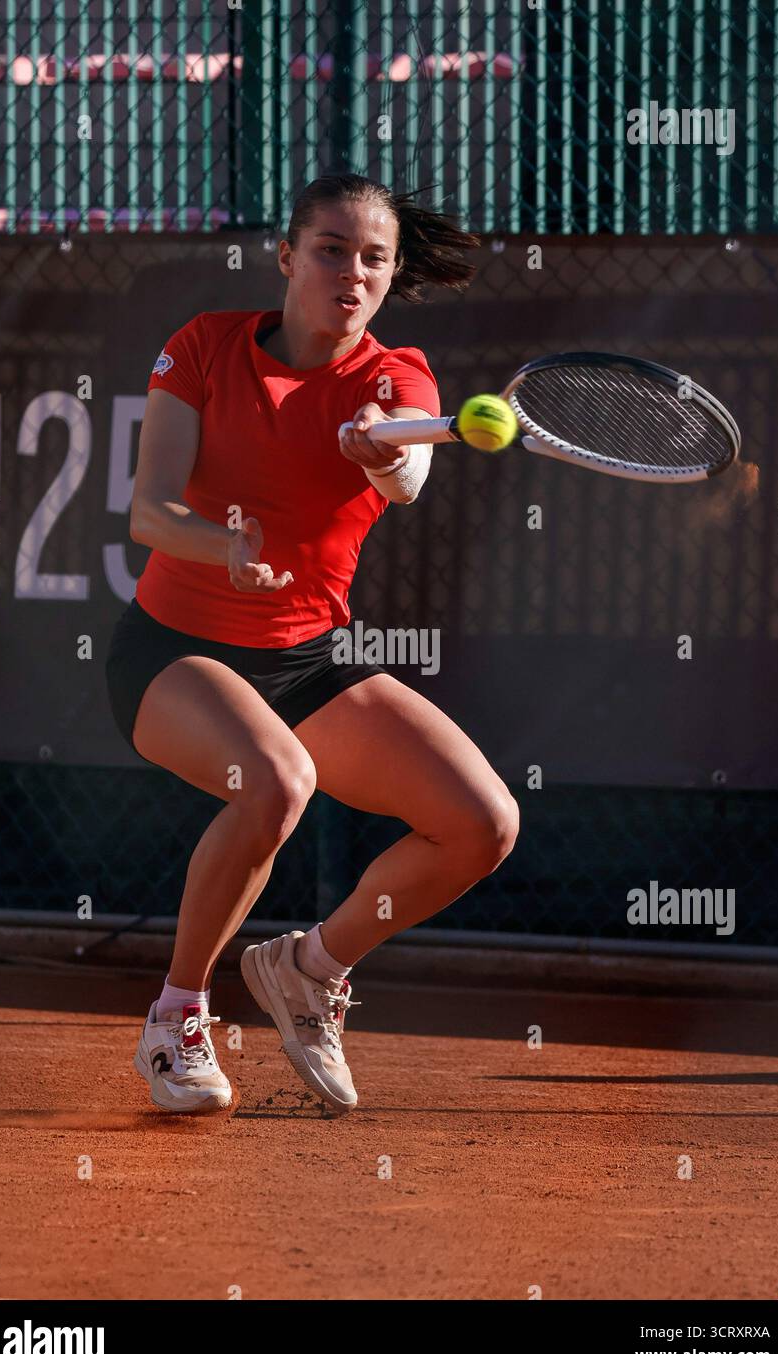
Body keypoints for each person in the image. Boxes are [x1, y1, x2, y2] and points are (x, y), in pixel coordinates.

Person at [105, 172, 520, 1117]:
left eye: (374, 257)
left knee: (482, 824)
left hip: (309, 660)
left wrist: (385, 447)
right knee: (276, 781)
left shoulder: (395, 375)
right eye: (331, 249)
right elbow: (148, 510)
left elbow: (408, 469)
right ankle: (176, 1018)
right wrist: (226, 545)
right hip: (172, 650)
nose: (353, 271)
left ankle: (309, 967)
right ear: (286, 257)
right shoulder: (204, 346)